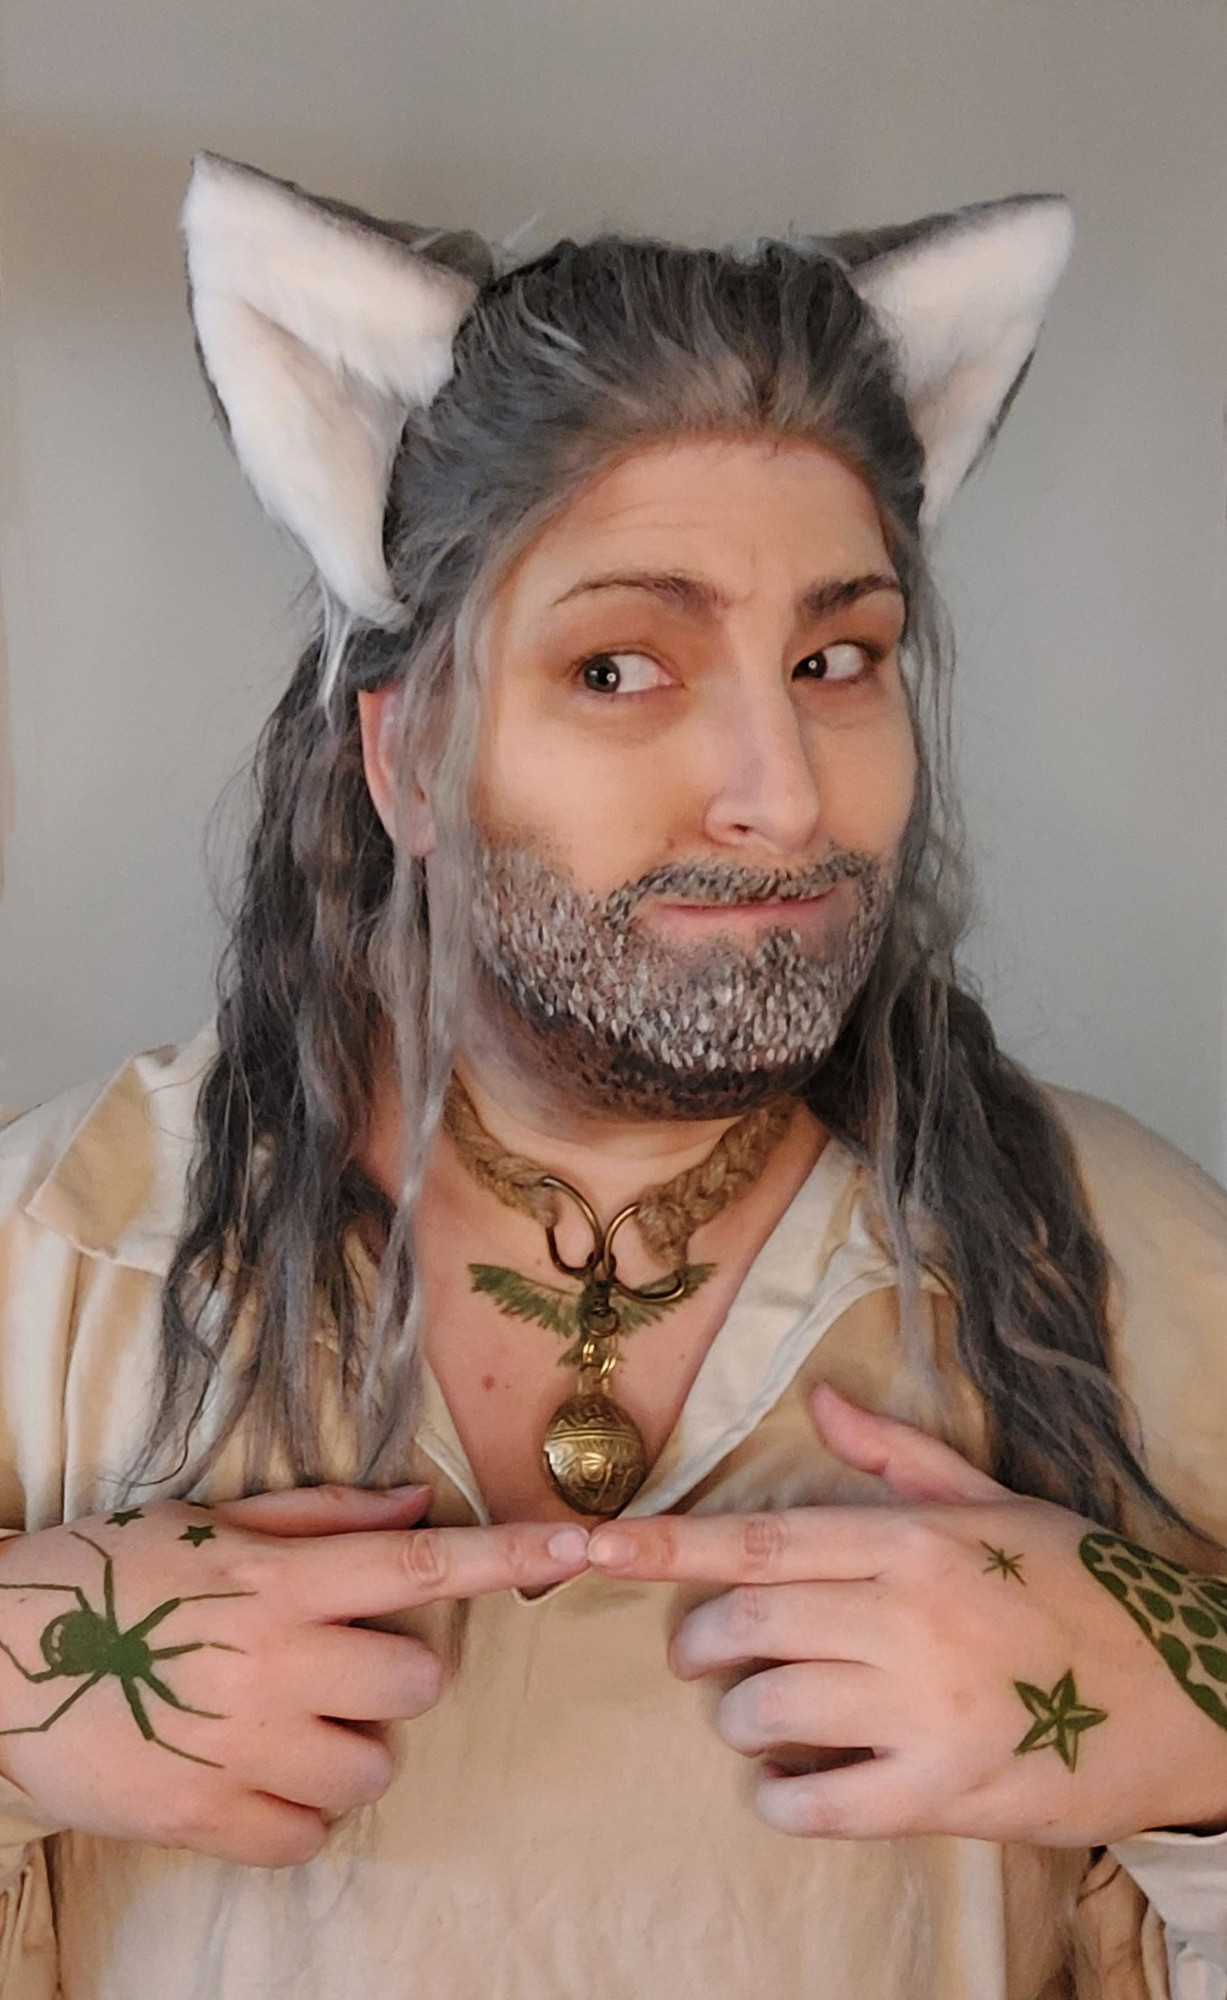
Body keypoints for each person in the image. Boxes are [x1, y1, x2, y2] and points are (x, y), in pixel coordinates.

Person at [0, 152, 1224, 2000]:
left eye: (837, 656)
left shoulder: (1130, 1272)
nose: (786, 792)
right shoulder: (61, 1258)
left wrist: (1192, 1723)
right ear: (407, 762)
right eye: (623, 668)